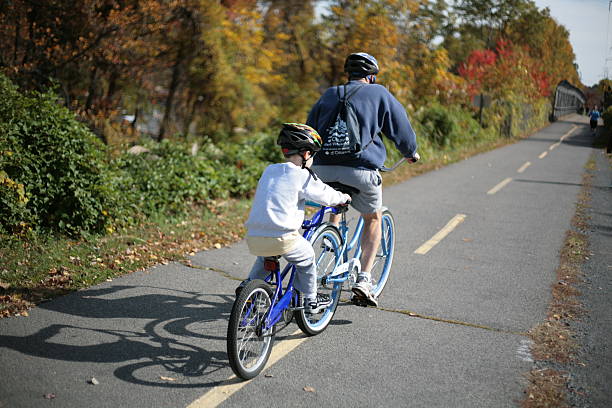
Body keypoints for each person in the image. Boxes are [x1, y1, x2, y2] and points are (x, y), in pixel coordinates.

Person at [306, 52, 419, 307]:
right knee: (373, 218)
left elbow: (309, 128)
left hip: (322, 169)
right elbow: (400, 129)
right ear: (371, 75)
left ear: (348, 74)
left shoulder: (329, 94)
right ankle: (365, 279)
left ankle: (329, 240)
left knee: (333, 201)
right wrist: (410, 152)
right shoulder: (379, 93)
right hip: (360, 170)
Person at [239, 123, 351, 313]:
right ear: (306, 154)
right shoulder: (302, 176)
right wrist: (343, 198)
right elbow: (325, 194)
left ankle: (248, 288)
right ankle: (311, 300)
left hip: (254, 236)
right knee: (307, 258)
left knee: (266, 257)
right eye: (313, 154)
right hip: (283, 237)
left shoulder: (269, 170)